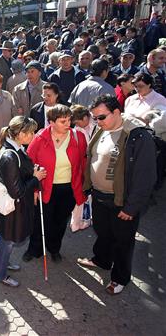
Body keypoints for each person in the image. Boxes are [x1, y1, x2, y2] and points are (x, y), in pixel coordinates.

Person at [78, 94, 156, 295]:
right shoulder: (100, 129)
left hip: (123, 202)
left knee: (123, 242)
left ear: (116, 112)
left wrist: (131, 207)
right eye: (95, 117)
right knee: (103, 233)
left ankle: (120, 278)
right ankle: (101, 260)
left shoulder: (138, 136)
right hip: (100, 197)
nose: (97, 121)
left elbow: (145, 177)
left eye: (101, 117)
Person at [23, 105, 87, 263]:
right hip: (45, 188)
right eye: (63, 121)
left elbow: (84, 163)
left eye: (69, 120)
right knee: (40, 221)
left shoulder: (78, 137)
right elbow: (29, 164)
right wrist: (33, 188)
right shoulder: (39, 138)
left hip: (68, 189)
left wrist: (85, 187)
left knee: (59, 222)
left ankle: (54, 248)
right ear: (51, 122)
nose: (68, 124)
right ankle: (34, 249)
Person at [0, 116, 46, 287]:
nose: (34, 135)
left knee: (4, 237)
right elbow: (17, 192)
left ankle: (1, 263)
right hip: (13, 208)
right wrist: (36, 178)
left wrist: (32, 172)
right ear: (20, 133)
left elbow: (19, 175)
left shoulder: (16, 147)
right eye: (31, 132)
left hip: (14, 208)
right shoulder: (10, 155)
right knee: (6, 239)